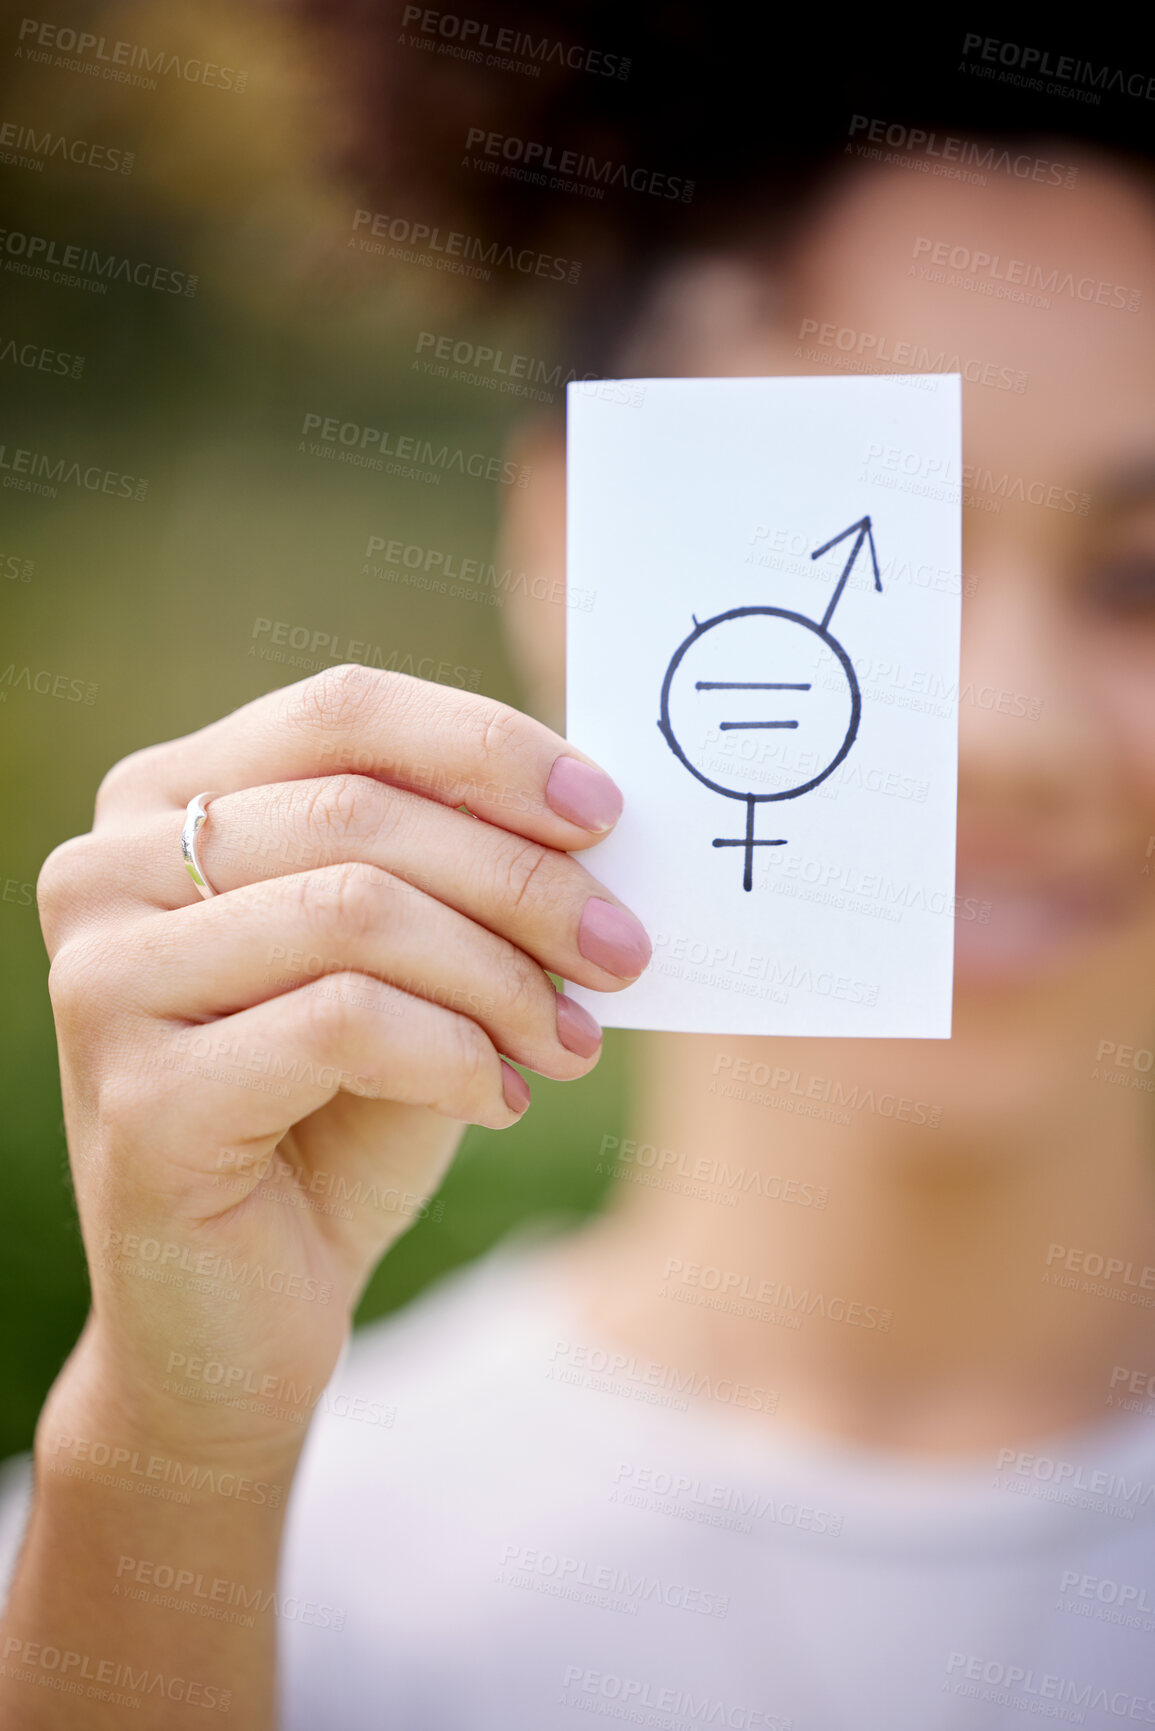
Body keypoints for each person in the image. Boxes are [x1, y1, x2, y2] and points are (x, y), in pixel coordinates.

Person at [3, 146, 1155, 1728]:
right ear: (569, 547)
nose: (1010, 733)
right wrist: (173, 1470)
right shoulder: (114, 1565)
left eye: (1145, 579)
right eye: (876, 551)